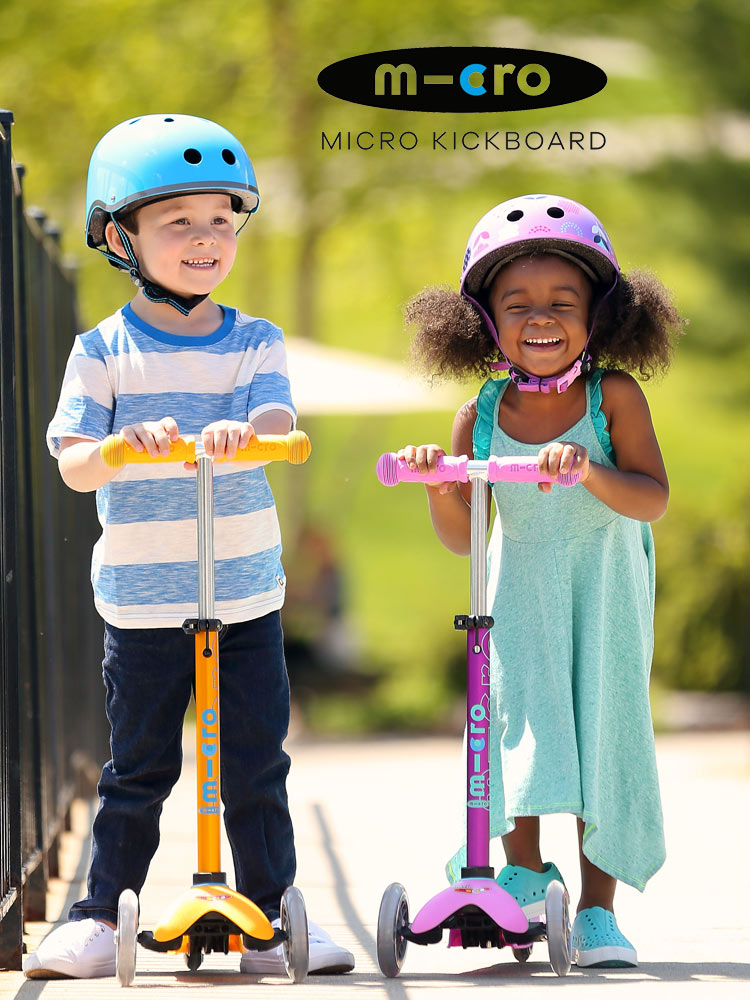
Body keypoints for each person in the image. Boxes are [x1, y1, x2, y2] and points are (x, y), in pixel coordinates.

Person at [24, 114, 354, 979]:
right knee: (137, 766)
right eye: (178, 223)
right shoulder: (102, 353)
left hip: (244, 591)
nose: (205, 240)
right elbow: (72, 463)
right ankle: (99, 917)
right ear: (120, 237)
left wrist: (253, 431)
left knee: (256, 764)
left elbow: (279, 417)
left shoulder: (256, 341)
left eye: (221, 220)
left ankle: (276, 920)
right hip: (143, 596)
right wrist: (122, 448)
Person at [397, 193, 684, 968]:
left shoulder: (612, 397)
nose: (541, 317)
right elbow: (466, 540)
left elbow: (651, 497)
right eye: (516, 303)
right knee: (516, 725)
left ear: (601, 314)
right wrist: (438, 486)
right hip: (518, 589)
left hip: (606, 589)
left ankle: (597, 910)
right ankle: (522, 874)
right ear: (484, 322)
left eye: (564, 302)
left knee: (604, 733)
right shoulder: (479, 414)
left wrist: (590, 470)